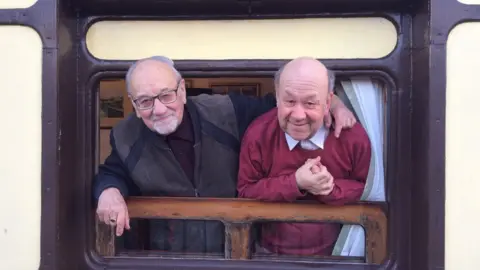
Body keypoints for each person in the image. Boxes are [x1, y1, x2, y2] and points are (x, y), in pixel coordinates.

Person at [93, 55, 357, 254]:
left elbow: (284, 104)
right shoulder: (126, 135)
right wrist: (109, 191)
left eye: (166, 95)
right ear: (134, 104)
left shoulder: (224, 112)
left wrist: (331, 103)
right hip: (168, 257)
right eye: (145, 101)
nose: (159, 109)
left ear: (182, 91)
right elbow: (112, 172)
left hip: (237, 252)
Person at [236, 57, 372, 256]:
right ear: (277, 98)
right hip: (269, 255)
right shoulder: (258, 135)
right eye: (289, 101)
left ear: (327, 103)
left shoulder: (352, 136)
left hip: (339, 254)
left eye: (310, 103)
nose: (298, 115)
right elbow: (245, 192)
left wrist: (331, 189)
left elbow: (370, 190)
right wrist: (296, 183)